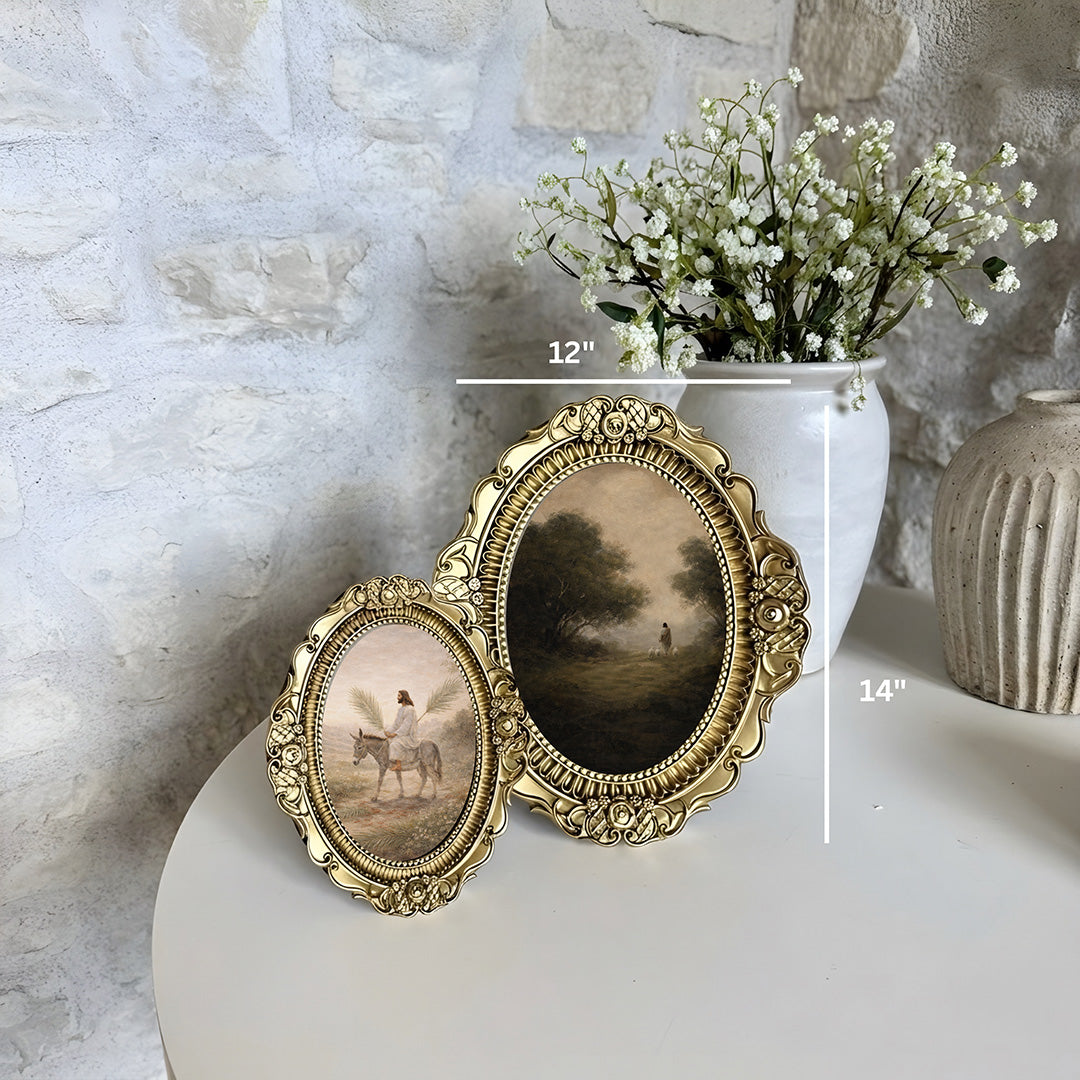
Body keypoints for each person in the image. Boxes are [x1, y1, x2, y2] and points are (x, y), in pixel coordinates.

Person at [386, 689, 419, 771]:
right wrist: (388, 731)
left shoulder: (410, 709)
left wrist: (395, 734)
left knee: (395, 744)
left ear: (404, 697)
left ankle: (398, 765)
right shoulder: (400, 710)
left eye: (399, 696)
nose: (397, 697)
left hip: (408, 735)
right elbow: (396, 724)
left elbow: (406, 726)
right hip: (401, 734)